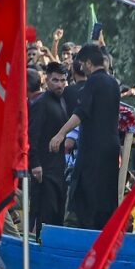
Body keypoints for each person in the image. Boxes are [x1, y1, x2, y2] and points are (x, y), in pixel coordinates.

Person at [49, 44, 120, 230]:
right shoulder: (113, 83)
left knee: (86, 195)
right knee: (106, 196)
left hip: (93, 150)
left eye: (81, 63)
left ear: (88, 63)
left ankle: (86, 238)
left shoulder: (93, 82)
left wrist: (60, 133)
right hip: (111, 149)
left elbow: (81, 112)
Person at [28, 63, 68, 237]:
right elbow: (32, 135)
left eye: (63, 80)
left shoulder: (61, 100)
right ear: (46, 80)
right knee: (44, 212)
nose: (59, 84)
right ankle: (40, 246)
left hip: (58, 167)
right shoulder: (41, 103)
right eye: (55, 80)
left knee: (57, 212)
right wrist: (35, 163)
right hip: (44, 169)